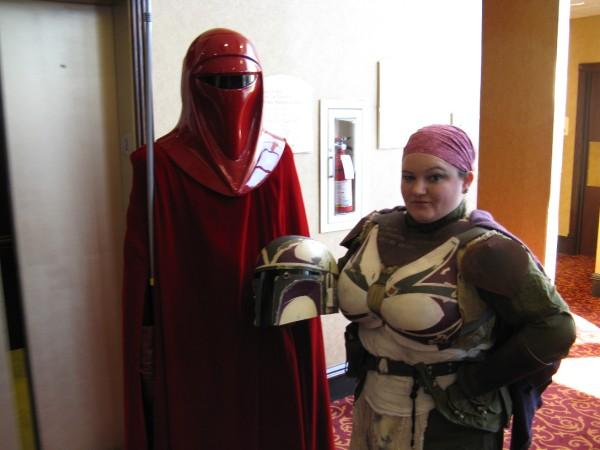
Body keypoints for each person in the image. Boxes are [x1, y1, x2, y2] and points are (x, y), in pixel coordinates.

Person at [122, 28, 334, 450]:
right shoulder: (156, 165)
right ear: (191, 85)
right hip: (192, 335)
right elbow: (140, 271)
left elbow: (296, 256)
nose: (231, 92)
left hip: (268, 330)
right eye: (216, 81)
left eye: (241, 80)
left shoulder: (277, 157)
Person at [337, 124, 575, 450]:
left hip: (450, 417)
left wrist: (475, 382)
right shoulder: (374, 229)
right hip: (371, 400)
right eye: (408, 177)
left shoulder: (485, 249)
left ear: (466, 181)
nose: (417, 189)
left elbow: (555, 328)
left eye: (435, 177)